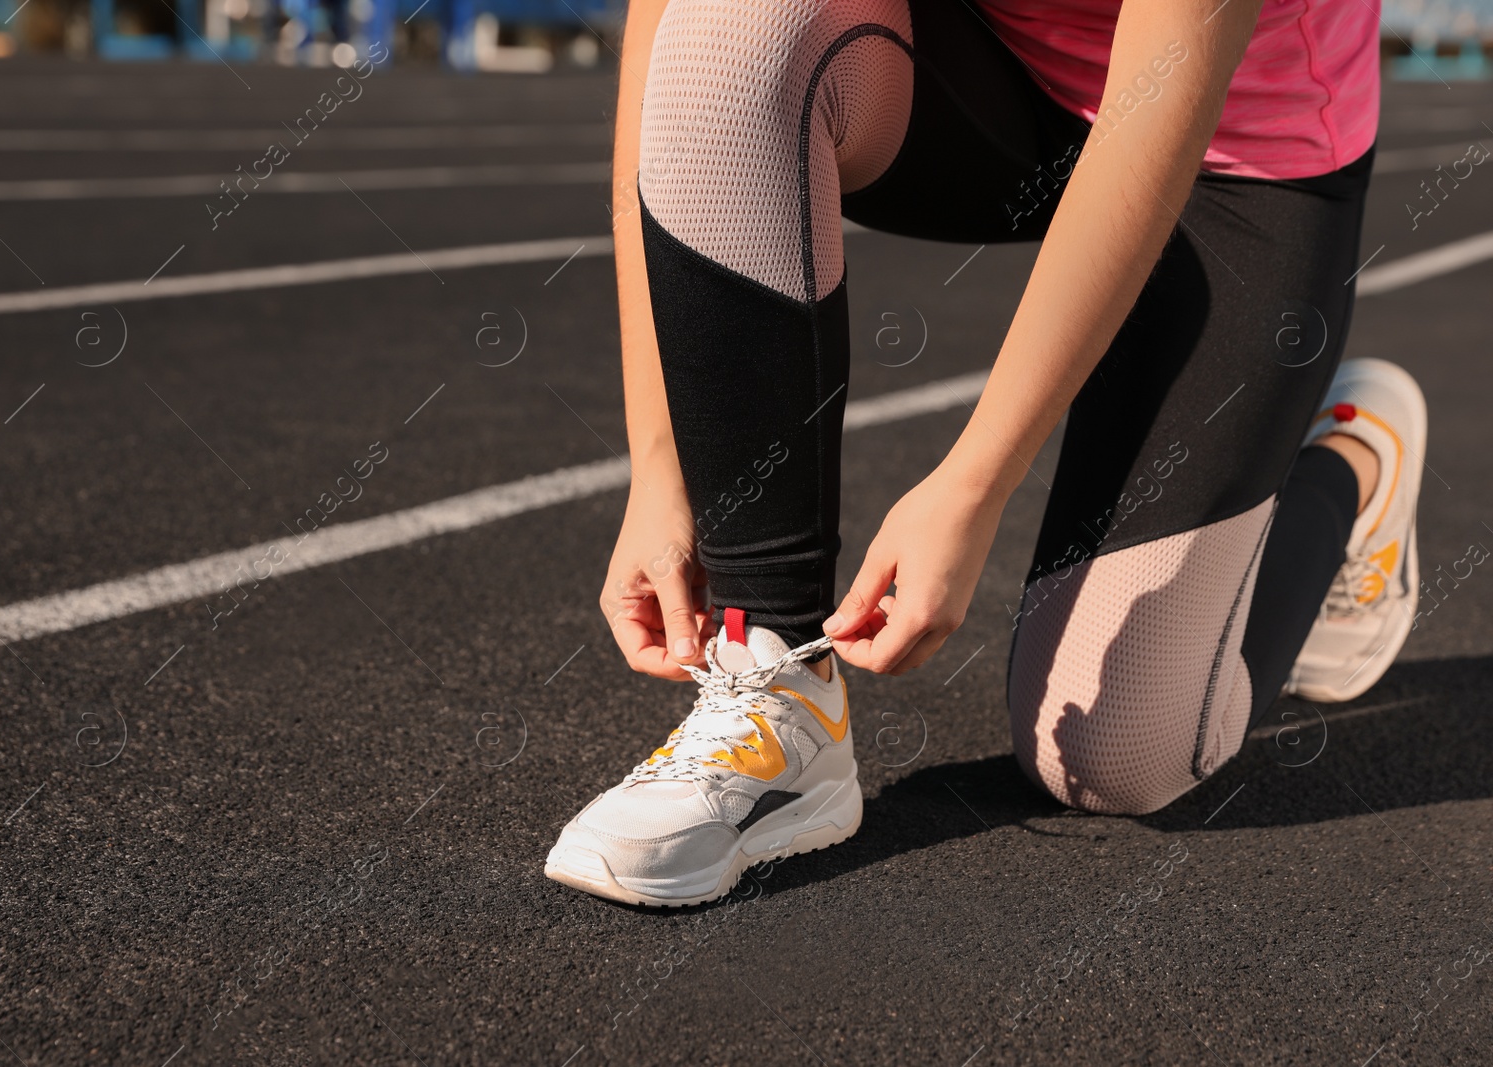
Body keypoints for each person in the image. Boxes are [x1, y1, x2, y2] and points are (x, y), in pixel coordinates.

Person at [545, 0, 1427, 906]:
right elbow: (664, 28)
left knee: (1116, 752)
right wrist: (662, 461)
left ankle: (1352, 458)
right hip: (1000, 73)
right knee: (735, 28)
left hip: (1237, 151)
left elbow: (1155, 113)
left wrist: (974, 481)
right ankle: (778, 690)